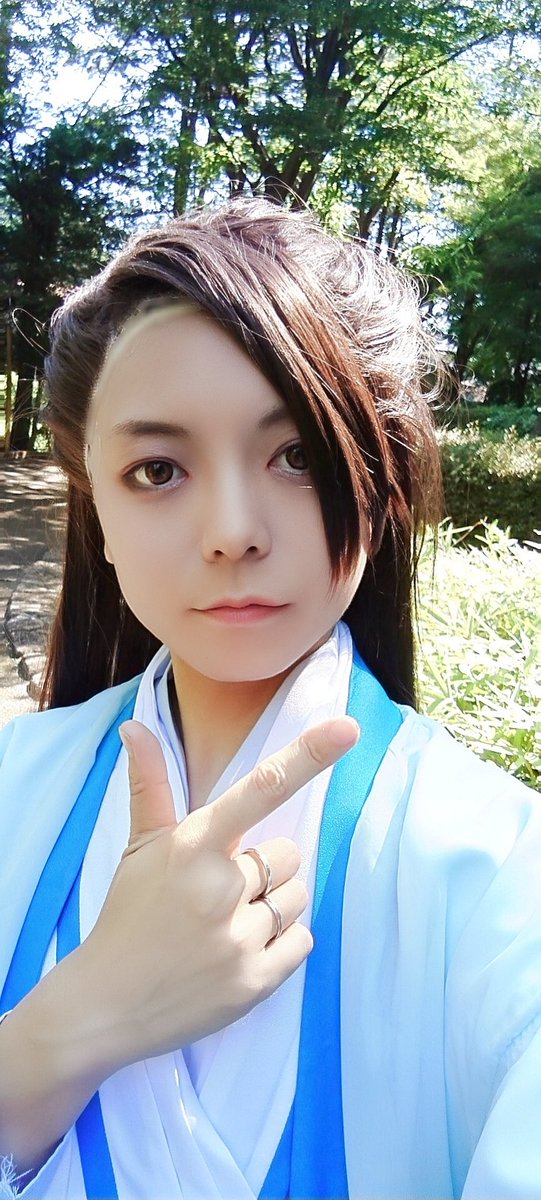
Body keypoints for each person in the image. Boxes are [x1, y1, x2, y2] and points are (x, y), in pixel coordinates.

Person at [0, 198, 539, 1200]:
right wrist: (76, 1020)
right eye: (157, 469)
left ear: (376, 481)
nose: (233, 531)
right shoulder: (9, 787)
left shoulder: (502, 870)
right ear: (97, 508)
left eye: (295, 455)